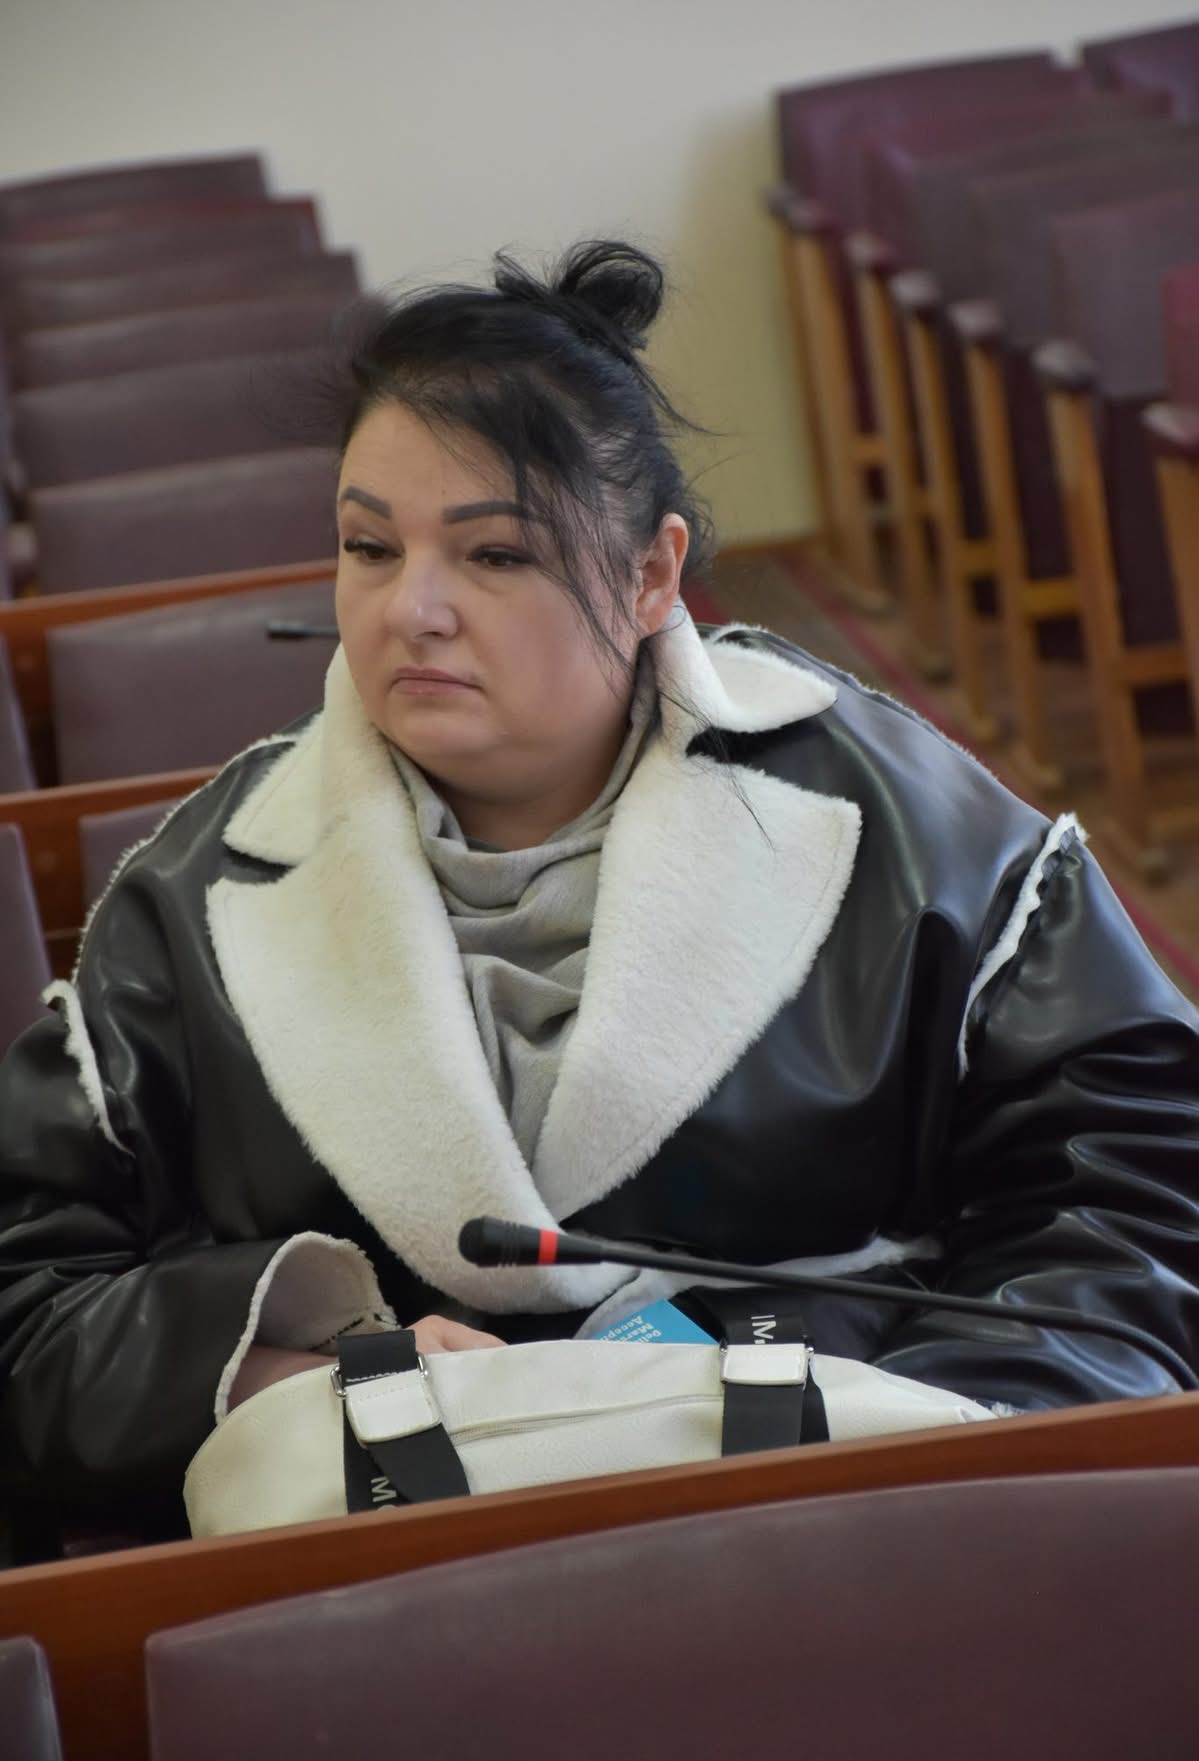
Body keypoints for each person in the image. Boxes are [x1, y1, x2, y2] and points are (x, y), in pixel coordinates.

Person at [1, 240, 1198, 1544]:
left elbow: (1143, 1203)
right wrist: (283, 1371)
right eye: (368, 546)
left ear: (650, 576)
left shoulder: (904, 828)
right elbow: (28, 1304)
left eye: (495, 555)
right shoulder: (198, 896)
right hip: (391, 1567)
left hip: (855, 1524)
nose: (412, 610)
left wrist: (921, 1449)